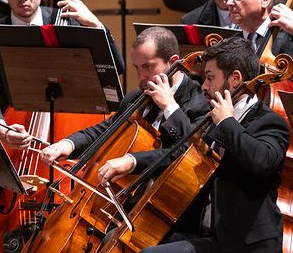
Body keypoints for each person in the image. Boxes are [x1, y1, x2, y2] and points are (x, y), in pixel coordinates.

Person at [130, 36, 290, 252]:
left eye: (210, 77)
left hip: (246, 245)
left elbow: (261, 162)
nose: (203, 86)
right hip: (210, 236)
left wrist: (228, 122)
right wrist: (132, 161)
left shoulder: (269, 122)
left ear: (235, 79)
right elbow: (184, 152)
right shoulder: (212, 117)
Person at [0, 0, 125, 144]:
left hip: (70, 125)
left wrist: (96, 26)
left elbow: (117, 67)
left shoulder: (68, 21)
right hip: (15, 125)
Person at [40, 28, 211, 177]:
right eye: (137, 68)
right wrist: (67, 144)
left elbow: (188, 152)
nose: (141, 76)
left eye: (147, 66)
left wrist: (170, 106)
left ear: (173, 62)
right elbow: (104, 131)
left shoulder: (200, 102)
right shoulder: (135, 97)